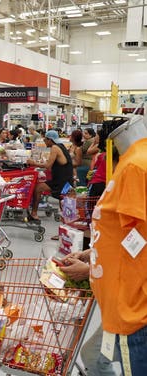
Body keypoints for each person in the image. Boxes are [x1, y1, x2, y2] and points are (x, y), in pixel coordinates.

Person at [88, 118, 147, 375]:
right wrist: (94, 253)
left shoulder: (136, 166)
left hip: (133, 309)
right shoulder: (131, 161)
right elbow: (128, 233)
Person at [58, 249, 118, 376]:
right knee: (92, 355)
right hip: (122, 309)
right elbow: (118, 244)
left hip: (136, 312)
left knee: (94, 356)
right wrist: (92, 253)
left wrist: (90, 271)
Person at [26, 130, 74, 222]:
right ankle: (65, 227)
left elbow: (48, 166)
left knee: (38, 188)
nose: (44, 141)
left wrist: (34, 163)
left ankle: (34, 213)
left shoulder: (55, 148)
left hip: (61, 181)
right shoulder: (61, 146)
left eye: (45, 139)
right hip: (65, 178)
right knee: (64, 203)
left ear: (50, 139)